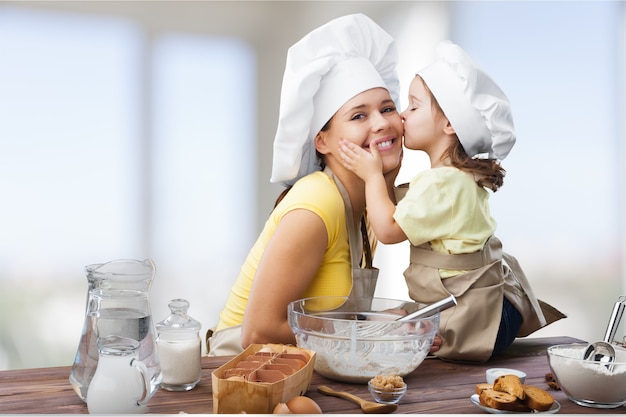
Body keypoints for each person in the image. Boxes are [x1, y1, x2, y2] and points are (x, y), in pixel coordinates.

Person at [207, 14, 443, 356]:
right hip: (243, 374)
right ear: (323, 141)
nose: (381, 123)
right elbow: (258, 331)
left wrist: (382, 321)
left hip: (302, 369)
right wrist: (371, 332)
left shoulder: (370, 205)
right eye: (359, 116)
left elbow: (326, 318)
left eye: (388, 108)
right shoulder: (318, 203)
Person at [338, 40, 565, 362]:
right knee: (387, 317)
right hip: (495, 307)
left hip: (476, 321)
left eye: (413, 107)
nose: (402, 115)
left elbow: (388, 231)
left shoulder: (441, 182)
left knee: (381, 331)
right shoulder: (461, 176)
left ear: (450, 124)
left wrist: (373, 176)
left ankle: (441, 339)